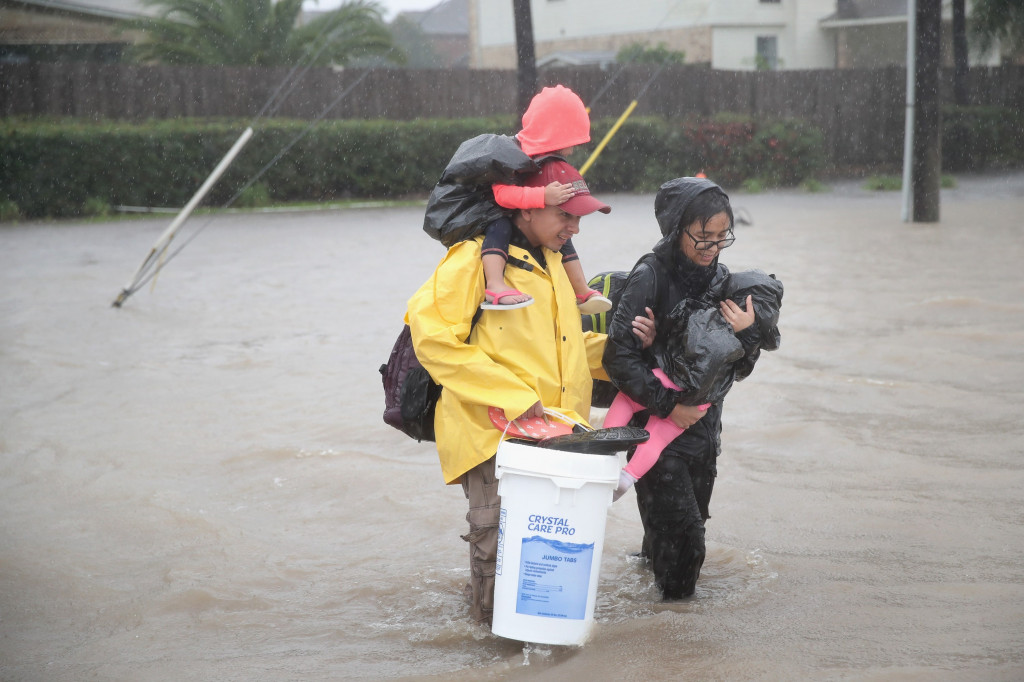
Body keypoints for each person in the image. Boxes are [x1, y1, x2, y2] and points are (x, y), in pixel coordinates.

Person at [406, 160, 651, 626]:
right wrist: (513, 395)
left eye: (579, 217)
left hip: (556, 436)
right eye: (566, 215)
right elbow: (433, 341)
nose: (575, 227)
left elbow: (565, 345)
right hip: (492, 435)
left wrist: (636, 358)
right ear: (527, 209)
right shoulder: (472, 259)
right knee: (496, 552)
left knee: (545, 559)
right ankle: (488, 644)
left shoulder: (555, 263)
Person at [602, 176, 780, 600]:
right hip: (656, 431)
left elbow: (732, 369)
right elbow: (617, 359)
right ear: (675, 228)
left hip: (702, 430)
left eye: (722, 237)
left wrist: (750, 334)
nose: (713, 248)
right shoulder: (650, 276)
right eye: (702, 237)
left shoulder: (721, 281)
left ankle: (658, 632)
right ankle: (676, 640)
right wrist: (668, 405)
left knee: (681, 531)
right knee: (686, 549)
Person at [422, 84, 612, 313]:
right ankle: (494, 283)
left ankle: (581, 290)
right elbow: (502, 196)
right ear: (553, 135)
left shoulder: (549, 243)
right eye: (568, 144)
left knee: (564, 236)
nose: (570, 152)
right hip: (477, 214)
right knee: (499, 224)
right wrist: (543, 195)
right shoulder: (510, 157)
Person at [605, 269, 783, 501]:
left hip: (675, 380)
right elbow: (740, 371)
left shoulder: (709, 317)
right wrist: (748, 333)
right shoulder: (752, 340)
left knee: (627, 399)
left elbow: (689, 340)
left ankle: (605, 449)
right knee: (657, 437)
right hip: (700, 403)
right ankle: (628, 477)